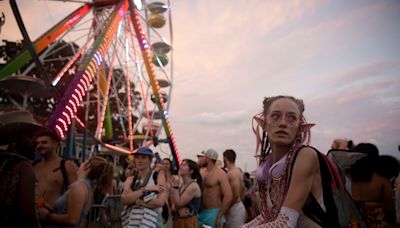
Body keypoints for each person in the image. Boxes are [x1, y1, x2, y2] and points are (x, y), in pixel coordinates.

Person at [242, 95, 338, 227]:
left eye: (291, 118)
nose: (283, 123)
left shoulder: (306, 155)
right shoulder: (268, 164)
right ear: (264, 124)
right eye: (275, 116)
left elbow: (285, 223)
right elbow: (267, 215)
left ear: (300, 127)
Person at [38, 155, 114, 227]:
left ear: (88, 167)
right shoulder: (88, 187)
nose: (79, 166)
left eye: (83, 163)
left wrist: (48, 216)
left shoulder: (78, 187)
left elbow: (73, 219)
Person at [0, 110, 42, 228]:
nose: (36, 142)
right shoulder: (22, 167)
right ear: (13, 138)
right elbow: (29, 217)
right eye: (30, 136)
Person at [349, 143, 396, 227]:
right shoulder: (382, 179)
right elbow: (389, 209)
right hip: (377, 223)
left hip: (355, 223)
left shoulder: (350, 178)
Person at [121, 147, 167, 227]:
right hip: (133, 222)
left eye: (143, 158)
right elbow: (124, 200)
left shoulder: (158, 176)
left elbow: (160, 202)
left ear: (150, 160)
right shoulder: (131, 179)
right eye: (137, 158)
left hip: (153, 222)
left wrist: (138, 201)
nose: (139, 160)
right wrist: (144, 190)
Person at [34, 130, 78, 211]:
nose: (39, 146)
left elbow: (76, 195)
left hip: (55, 218)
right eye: (37, 143)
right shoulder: (34, 166)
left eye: (44, 142)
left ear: (56, 145)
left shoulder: (67, 166)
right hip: (32, 217)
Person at [199, 148, 232, 228]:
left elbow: (228, 196)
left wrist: (219, 216)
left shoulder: (220, 174)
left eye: (202, 156)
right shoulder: (201, 171)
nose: (199, 158)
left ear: (208, 158)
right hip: (201, 212)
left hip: (214, 212)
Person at [170, 159, 202, 228]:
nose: (180, 167)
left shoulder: (193, 186)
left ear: (191, 171)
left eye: (184, 165)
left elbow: (178, 203)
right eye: (181, 164)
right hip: (180, 221)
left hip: (189, 222)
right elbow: (173, 203)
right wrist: (177, 208)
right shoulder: (182, 184)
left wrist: (175, 186)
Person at [223, 149, 247, 227]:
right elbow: (243, 190)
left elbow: (235, 195)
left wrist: (225, 209)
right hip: (238, 206)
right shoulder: (238, 172)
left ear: (225, 158)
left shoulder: (232, 173)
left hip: (234, 208)